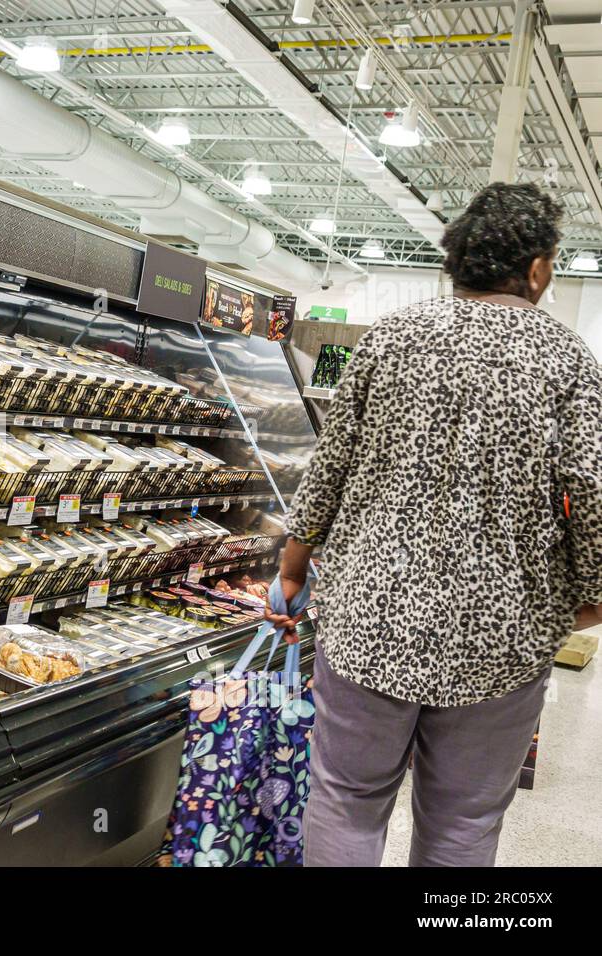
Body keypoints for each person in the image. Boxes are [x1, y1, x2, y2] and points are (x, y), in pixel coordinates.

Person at [270, 182, 602, 867]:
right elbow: (593, 493)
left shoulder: (391, 339)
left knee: (344, 801)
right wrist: (590, 596)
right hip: (502, 633)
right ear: (538, 269)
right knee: (465, 821)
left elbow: (327, 470)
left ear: (457, 263)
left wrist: (293, 568)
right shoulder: (569, 361)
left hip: (369, 618)